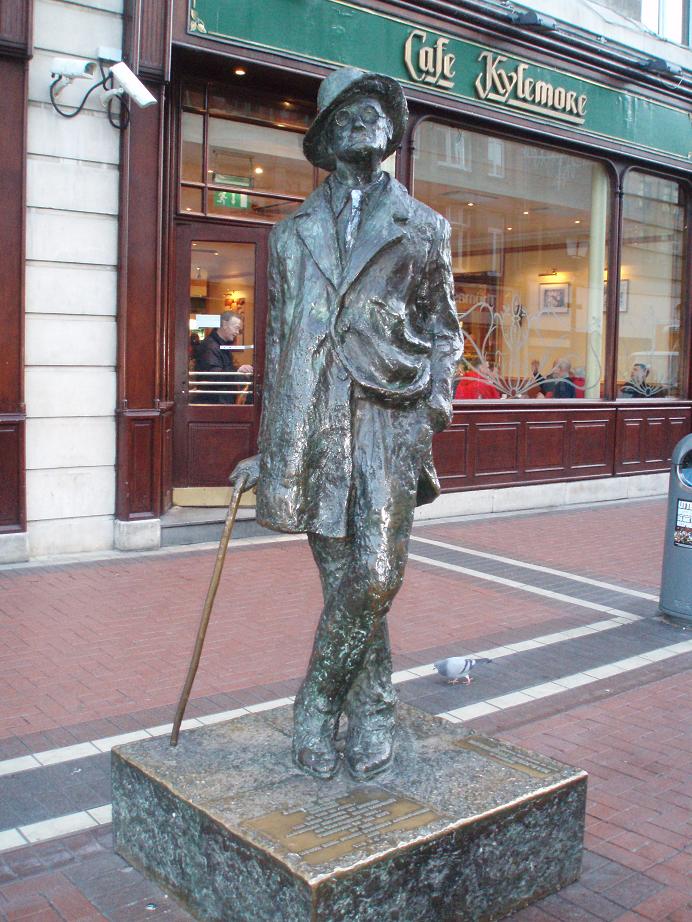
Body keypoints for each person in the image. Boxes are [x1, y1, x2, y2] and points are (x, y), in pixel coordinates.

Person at [229, 67, 461, 781]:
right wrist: (272, 448)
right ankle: (373, 714)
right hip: (316, 422)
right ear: (326, 137)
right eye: (349, 111)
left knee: (378, 575)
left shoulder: (425, 227)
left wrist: (436, 406)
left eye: (376, 110)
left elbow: (445, 330)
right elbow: (280, 345)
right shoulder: (290, 234)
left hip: (392, 419)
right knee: (344, 583)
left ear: (391, 133)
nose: (365, 119)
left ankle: (315, 704)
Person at [195, 311, 253, 404]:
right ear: (225, 324)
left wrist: (238, 371)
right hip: (214, 403)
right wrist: (237, 372)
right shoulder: (211, 346)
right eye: (236, 328)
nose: (237, 332)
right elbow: (213, 376)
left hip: (218, 401)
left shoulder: (219, 345)